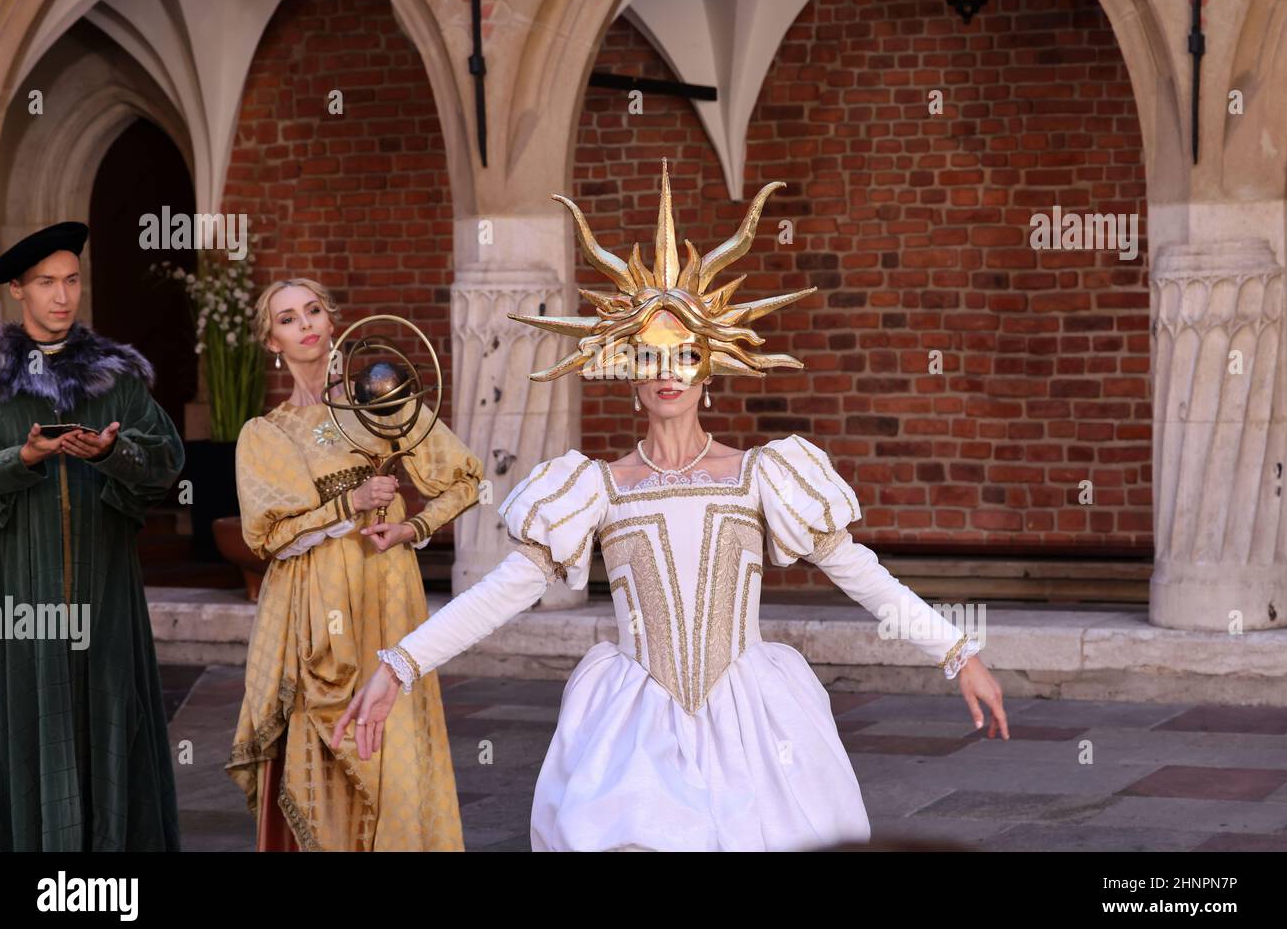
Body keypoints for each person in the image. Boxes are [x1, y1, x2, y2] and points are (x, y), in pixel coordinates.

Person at [334, 160, 1009, 851]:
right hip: (635, 730)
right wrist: (400, 665)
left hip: (754, 724)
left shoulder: (760, 474)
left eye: (684, 353)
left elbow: (860, 571)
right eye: (651, 356)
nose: (668, 372)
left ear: (707, 367)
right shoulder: (596, 486)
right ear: (629, 372)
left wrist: (957, 653)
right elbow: (503, 591)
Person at [225, 277, 483, 851]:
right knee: (324, 737)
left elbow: (466, 479)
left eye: (313, 310)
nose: (306, 324)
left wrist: (413, 525)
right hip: (313, 599)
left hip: (386, 586)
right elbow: (269, 538)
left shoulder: (379, 399)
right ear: (273, 341)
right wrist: (349, 504)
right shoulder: (265, 434)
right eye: (288, 318)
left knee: (394, 731)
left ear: (333, 320)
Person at [0, 221, 184, 851]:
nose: (61, 296)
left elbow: (165, 464)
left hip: (106, 591)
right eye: (46, 282)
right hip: (19, 594)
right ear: (18, 289)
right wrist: (22, 458)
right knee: (28, 725)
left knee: (110, 719)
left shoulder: (114, 376)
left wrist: (110, 451)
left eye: (72, 280)